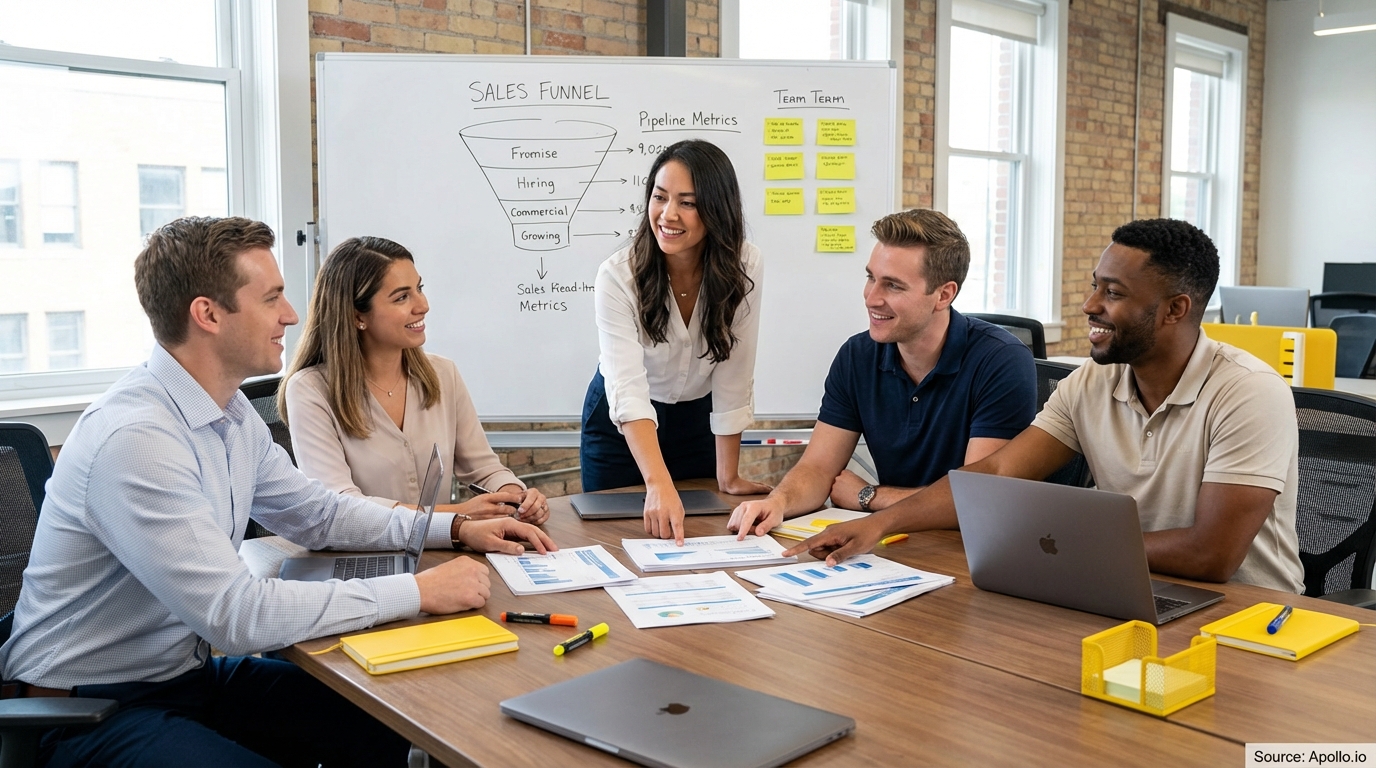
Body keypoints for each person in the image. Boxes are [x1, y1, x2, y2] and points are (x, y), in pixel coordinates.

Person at [0, 217, 556, 767]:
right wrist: (417, 591)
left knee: (401, 724)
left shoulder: (230, 411)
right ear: (208, 315)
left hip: (185, 678)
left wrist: (452, 527)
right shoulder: (137, 439)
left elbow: (317, 514)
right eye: (272, 299)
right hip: (89, 713)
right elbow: (234, 616)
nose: (291, 315)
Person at [788, 218, 1305, 593]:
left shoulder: (1248, 393)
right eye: (1094, 286)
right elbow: (995, 472)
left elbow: (1211, 555)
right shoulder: (1090, 385)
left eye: (1114, 293)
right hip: (1121, 589)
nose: (1090, 305)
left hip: (1248, 613)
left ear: (1175, 310)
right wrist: (880, 523)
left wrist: (1061, 549)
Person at [729, 209, 1037, 539]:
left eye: (892, 286)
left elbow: (975, 501)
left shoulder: (1001, 361)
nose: (871, 298)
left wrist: (870, 497)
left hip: (971, 549)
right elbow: (818, 468)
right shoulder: (857, 356)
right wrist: (777, 502)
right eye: (870, 278)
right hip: (894, 542)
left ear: (944, 294)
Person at [580, 139, 771, 544]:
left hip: (695, 422)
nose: (668, 215)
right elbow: (627, 389)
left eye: (687, 202)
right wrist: (657, 481)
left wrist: (728, 476)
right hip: (621, 430)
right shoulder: (618, 276)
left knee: (701, 537)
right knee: (616, 540)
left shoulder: (745, 264)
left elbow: (735, 371)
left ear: (716, 209)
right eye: (660, 197)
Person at [282, 236, 548, 524]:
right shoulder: (310, 391)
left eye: (419, 288)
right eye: (401, 297)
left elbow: (484, 469)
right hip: (359, 559)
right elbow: (341, 507)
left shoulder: (444, 374)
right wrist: (457, 515)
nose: (423, 305)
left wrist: (514, 496)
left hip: (445, 550)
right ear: (358, 315)